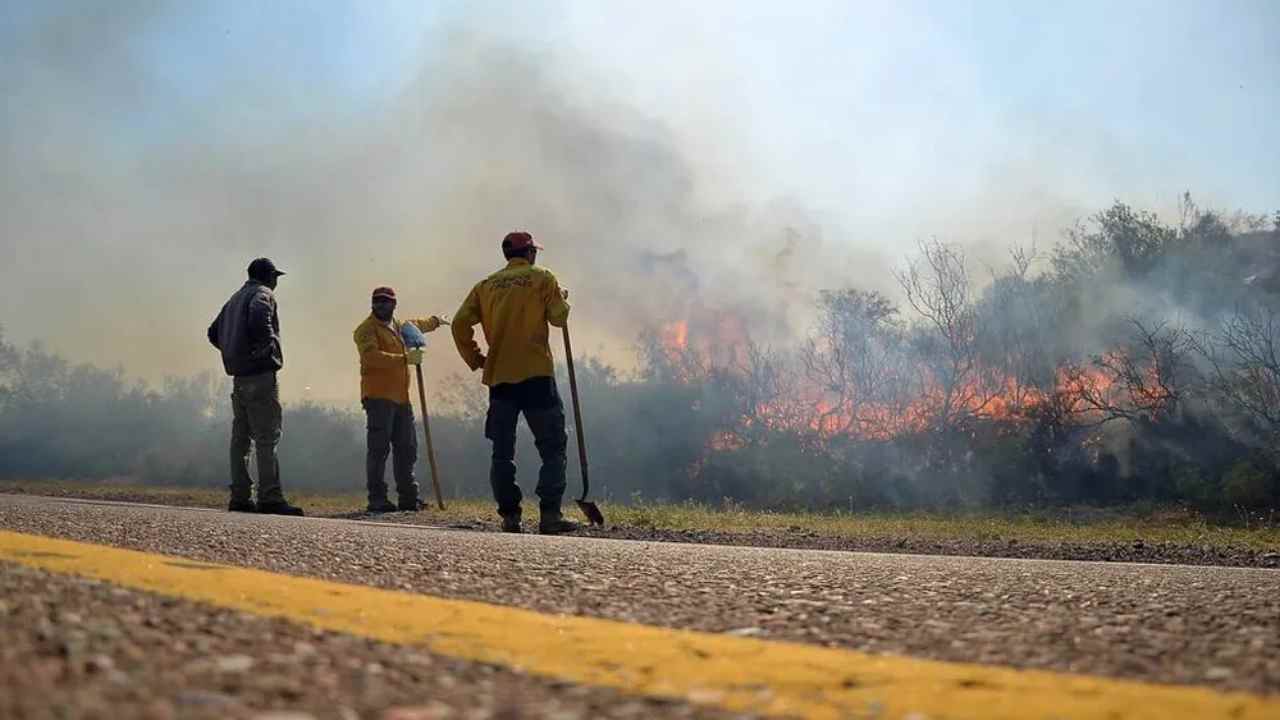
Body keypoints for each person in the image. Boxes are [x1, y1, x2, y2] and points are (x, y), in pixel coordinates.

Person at [451, 231, 578, 534]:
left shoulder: (485, 286)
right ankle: (550, 516)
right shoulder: (542, 277)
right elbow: (558, 318)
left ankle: (510, 517)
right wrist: (561, 299)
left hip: (500, 378)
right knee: (553, 447)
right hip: (536, 375)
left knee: (502, 452)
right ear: (530, 253)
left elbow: (458, 324)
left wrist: (477, 358)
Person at [207, 257, 303, 516]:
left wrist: (235, 350)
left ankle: (240, 497)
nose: (275, 283)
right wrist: (265, 347)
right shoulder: (263, 294)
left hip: (239, 378)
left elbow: (213, 332)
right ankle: (270, 497)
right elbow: (260, 315)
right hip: (260, 376)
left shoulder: (235, 298)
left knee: (241, 438)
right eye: (275, 277)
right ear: (269, 276)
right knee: (266, 437)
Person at [353, 286, 444, 513]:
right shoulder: (365, 330)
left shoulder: (399, 326)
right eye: (377, 301)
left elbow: (418, 325)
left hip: (402, 398)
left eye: (385, 301)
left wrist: (436, 321)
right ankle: (377, 499)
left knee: (407, 448)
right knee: (379, 450)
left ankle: (408, 498)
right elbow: (371, 357)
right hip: (378, 398)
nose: (380, 304)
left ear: (394, 304)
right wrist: (405, 358)